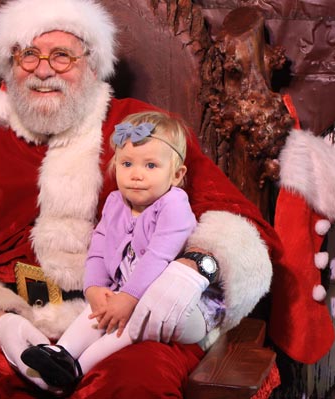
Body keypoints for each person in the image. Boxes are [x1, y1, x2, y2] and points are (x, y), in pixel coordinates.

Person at [0, 0, 335, 397]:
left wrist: (191, 269)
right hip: (17, 323)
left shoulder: (141, 127)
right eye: (28, 55)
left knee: (134, 386)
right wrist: (1, 325)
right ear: (9, 65)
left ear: (92, 65)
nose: (42, 70)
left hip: (133, 320)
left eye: (62, 56)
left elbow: (241, 224)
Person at [20, 111, 219, 390]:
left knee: (134, 317)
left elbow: (158, 256)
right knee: (98, 307)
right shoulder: (115, 202)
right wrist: (93, 289)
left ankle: (78, 369)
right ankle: (61, 353)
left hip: (182, 309)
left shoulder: (174, 205)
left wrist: (128, 298)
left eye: (151, 166)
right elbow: (98, 250)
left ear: (176, 174)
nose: (136, 175)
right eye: (127, 163)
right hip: (130, 293)